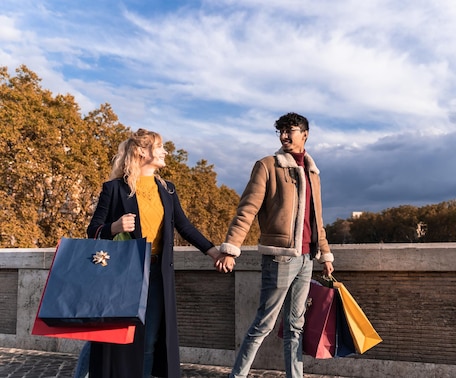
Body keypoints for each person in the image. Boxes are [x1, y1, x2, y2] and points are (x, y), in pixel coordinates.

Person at [74, 128, 220, 378]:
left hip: (156, 274)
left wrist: (213, 251)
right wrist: (114, 227)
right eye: (160, 146)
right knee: (111, 336)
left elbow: (183, 226)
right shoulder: (114, 189)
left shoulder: (168, 189)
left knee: (150, 339)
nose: (165, 151)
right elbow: (93, 230)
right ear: (142, 151)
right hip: (122, 275)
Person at [216, 112, 335, 378]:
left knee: (296, 326)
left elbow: (317, 219)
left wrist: (325, 254)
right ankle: (237, 375)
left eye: (289, 130)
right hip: (279, 258)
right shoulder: (268, 165)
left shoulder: (313, 172)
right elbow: (247, 209)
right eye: (280, 131)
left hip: (306, 258)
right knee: (264, 324)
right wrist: (230, 247)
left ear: (304, 134)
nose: (283, 136)